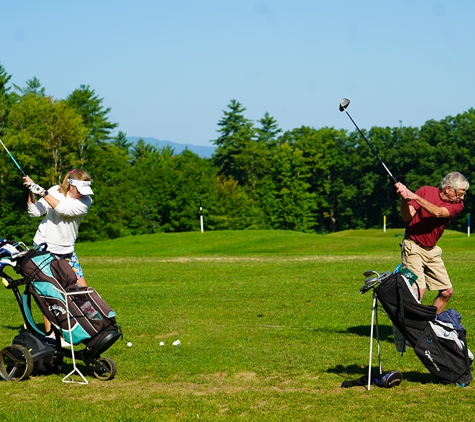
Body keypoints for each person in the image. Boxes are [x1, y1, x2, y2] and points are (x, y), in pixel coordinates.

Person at [23, 169, 94, 341]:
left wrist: (41, 191)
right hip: (44, 249)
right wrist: (31, 191)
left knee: (82, 292)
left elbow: (64, 210)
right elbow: (35, 212)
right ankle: (52, 336)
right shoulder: (55, 191)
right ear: (71, 184)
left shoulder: (85, 201)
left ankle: (90, 328)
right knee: (49, 293)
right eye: (80, 190)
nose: (82, 194)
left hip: (67, 251)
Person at [395, 172, 469, 314]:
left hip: (432, 251)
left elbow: (439, 213)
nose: (462, 197)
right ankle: (407, 330)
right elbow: (406, 216)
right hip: (412, 246)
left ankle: (427, 325)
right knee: (418, 290)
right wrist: (404, 199)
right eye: (460, 193)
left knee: (447, 291)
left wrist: (414, 196)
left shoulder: (458, 205)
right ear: (448, 189)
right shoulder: (425, 191)